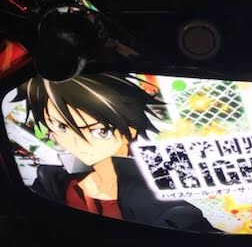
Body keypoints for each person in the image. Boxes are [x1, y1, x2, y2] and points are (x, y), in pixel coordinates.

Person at [14, 73, 216, 232]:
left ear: (131, 129)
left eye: (99, 131)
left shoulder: (163, 206)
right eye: (62, 127)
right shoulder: (50, 181)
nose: (78, 142)